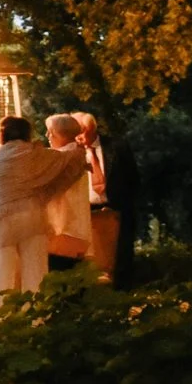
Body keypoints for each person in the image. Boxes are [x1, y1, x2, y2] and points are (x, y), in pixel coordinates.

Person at [0, 115, 88, 308]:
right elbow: (67, 158)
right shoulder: (33, 154)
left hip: (0, 217)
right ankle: (36, 316)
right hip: (31, 215)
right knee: (35, 271)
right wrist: (79, 154)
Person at [83, 111, 146, 282]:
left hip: (116, 210)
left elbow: (133, 178)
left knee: (120, 260)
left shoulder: (116, 147)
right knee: (91, 264)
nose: (80, 137)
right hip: (86, 213)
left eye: (83, 131)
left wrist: (124, 204)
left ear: (92, 130)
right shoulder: (71, 152)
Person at [43, 113, 94, 271]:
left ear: (60, 134)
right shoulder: (77, 155)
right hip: (75, 228)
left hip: (64, 230)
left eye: (50, 131)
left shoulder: (63, 159)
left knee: (60, 279)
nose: (47, 136)